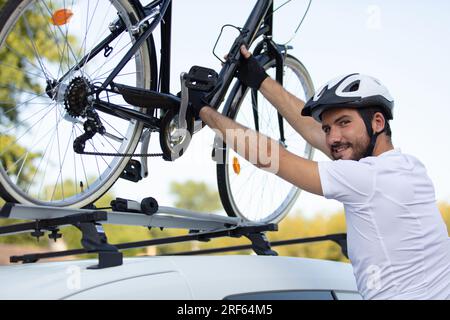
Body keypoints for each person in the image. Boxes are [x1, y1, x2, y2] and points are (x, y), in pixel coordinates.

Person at [189, 45, 450, 300]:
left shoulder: (367, 179)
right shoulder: (408, 167)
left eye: (344, 123)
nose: (333, 137)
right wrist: (260, 80)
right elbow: (313, 131)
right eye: (328, 128)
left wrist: (204, 111)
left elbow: (272, 157)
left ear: (378, 122)